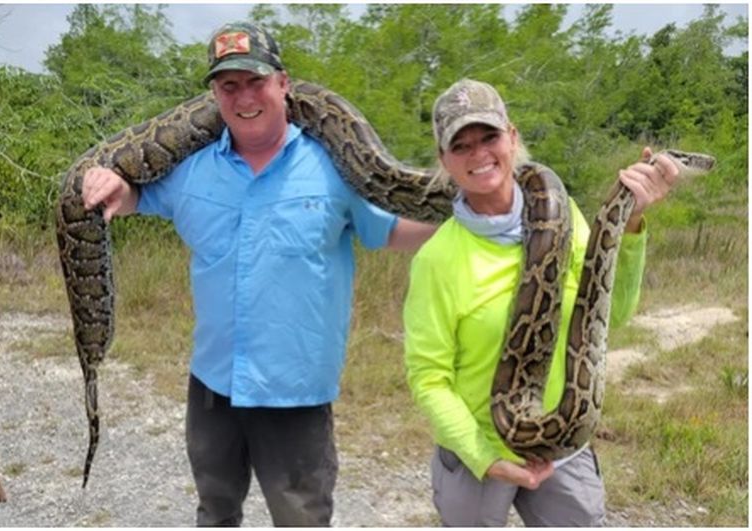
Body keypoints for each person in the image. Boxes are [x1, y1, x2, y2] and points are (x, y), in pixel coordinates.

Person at [81, 22, 436, 527]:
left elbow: (393, 228)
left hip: (295, 392)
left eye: (255, 82)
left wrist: (474, 221)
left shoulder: (335, 167)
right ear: (214, 95)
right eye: (229, 86)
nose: (244, 97)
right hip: (212, 387)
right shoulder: (192, 169)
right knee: (216, 511)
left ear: (284, 84)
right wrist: (113, 184)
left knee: (301, 518)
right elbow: (138, 197)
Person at [402, 79, 679, 527]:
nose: (478, 154)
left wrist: (632, 222)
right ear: (444, 160)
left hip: (562, 446)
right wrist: (483, 457)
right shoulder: (438, 260)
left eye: (488, 137)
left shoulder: (562, 211)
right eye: (461, 145)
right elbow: (428, 378)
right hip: (478, 448)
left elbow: (611, 316)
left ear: (511, 137)